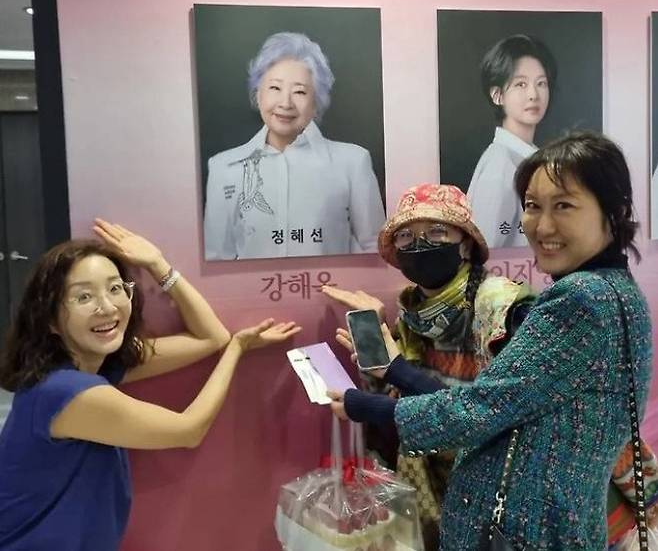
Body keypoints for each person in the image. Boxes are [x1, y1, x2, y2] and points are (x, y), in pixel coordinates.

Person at [328, 132, 652, 550]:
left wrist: (374, 396)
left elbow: (484, 408)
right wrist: (383, 361)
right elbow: (506, 402)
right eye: (532, 206)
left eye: (564, 205)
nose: (543, 225)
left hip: (527, 529)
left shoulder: (525, 304)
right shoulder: (409, 312)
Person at [0, 219, 299, 551]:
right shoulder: (67, 391)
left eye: (115, 288)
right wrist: (237, 349)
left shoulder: (95, 366)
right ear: (51, 320)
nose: (107, 307)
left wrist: (158, 264)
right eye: (84, 297)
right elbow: (189, 429)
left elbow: (210, 337)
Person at [322, 183, 534, 546]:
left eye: (437, 232)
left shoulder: (502, 307)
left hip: (497, 492)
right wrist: (372, 337)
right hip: (436, 491)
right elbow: (399, 402)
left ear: (465, 244)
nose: (420, 245)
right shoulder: (411, 314)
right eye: (406, 236)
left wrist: (388, 380)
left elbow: (486, 415)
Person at [203, 31, 385, 260]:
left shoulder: (353, 162)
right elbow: (217, 257)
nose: (285, 103)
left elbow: (375, 248)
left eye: (299, 91)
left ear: (316, 102)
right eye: (275, 88)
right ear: (258, 94)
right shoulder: (223, 167)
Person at [467, 34, 557, 248]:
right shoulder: (500, 166)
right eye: (520, 84)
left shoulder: (529, 158)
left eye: (541, 83)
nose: (533, 94)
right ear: (497, 95)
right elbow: (485, 252)